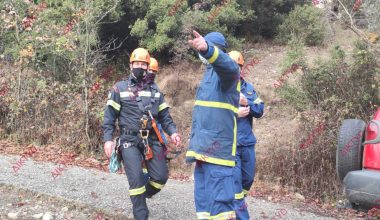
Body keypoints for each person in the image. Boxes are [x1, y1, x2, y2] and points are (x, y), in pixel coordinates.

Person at [103, 48, 181, 220]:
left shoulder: (155, 90)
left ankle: (140, 195)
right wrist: (108, 139)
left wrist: (173, 132)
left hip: (151, 139)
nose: (140, 67)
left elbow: (165, 117)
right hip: (129, 140)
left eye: (143, 64)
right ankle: (141, 214)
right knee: (136, 179)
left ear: (147, 67)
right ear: (131, 65)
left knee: (160, 177)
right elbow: (109, 117)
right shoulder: (120, 88)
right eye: (137, 64)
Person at [186, 31, 240, 219]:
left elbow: (230, 67)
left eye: (206, 47)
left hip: (218, 155)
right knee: (203, 208)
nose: (201, 54)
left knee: (221, 211)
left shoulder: (227, 76)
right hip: (202, 154)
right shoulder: (207, 76)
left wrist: (209, 50)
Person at [228, 50, 264, 220]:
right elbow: (214, 114)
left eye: (238, 66)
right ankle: (241, 215)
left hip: (247, 143)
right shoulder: (222, 88)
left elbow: (259, 110)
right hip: (230, 145)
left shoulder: (248, 88)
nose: (235, 69)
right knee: (235, 186)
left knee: (247, 180)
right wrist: (235, 112)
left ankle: (232, 204)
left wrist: (246, 101)